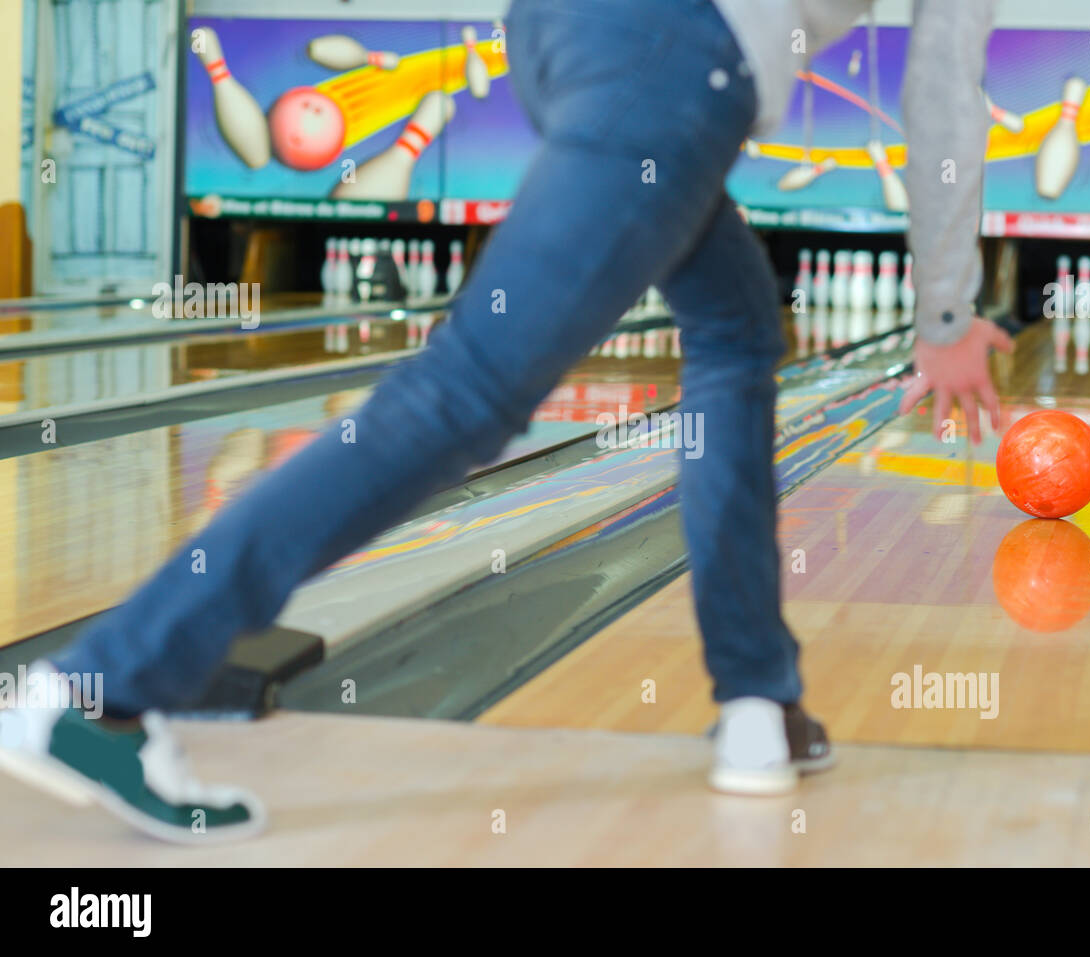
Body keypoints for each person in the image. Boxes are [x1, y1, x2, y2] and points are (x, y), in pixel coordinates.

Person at [0, 0, 1006, 843]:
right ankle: (102, 688)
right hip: (674, 61)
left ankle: (758, 703)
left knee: (738, 337)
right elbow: (942, 99)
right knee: (467, 393)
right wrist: (948, 314)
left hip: (561, 32)